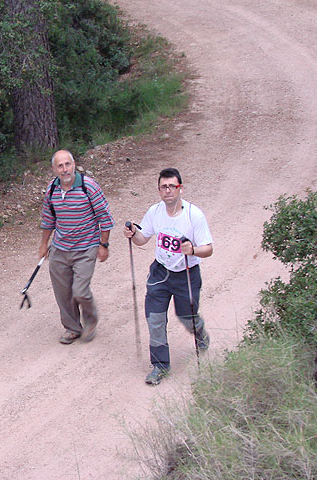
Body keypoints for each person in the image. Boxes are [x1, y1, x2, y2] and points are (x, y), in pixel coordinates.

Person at [124, 167, 213, 385]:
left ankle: (199, 332)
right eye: (164, 187)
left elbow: (208, 249)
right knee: (154, 319)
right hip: (161, 272)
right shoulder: (155, 212)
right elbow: (142, 238)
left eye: (172, 186)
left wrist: (192, 250)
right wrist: (133, 233)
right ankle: (160, 366)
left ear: (180, 188)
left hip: (187, 274)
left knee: (186, 316)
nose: (168, 191)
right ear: (159, 190)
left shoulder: (194, 215)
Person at [39, 150, 115, 344]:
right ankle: (72, 328)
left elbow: (104, 218)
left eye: (68, 164)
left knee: (80, 291)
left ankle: (90, 321)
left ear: (74, 165)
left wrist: (103, 245)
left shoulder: (88, 186)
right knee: (63, 292)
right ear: (54, 169)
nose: (65, 169)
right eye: (60, 166)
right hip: (60, 247)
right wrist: (43, 245)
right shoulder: (52, 189)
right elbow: (48, 220)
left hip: (86, 247)